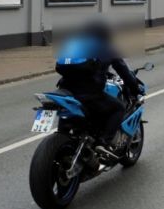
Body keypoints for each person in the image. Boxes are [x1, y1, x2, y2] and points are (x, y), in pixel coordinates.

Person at [54, 19, 141, 155]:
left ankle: (62, 136)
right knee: (118, 108)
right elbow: (123, 71)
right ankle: (103, 143)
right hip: (89, 94)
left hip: (65, 90)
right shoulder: (106, 48)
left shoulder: (75, 45)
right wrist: (135, 88)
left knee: (68, 112)